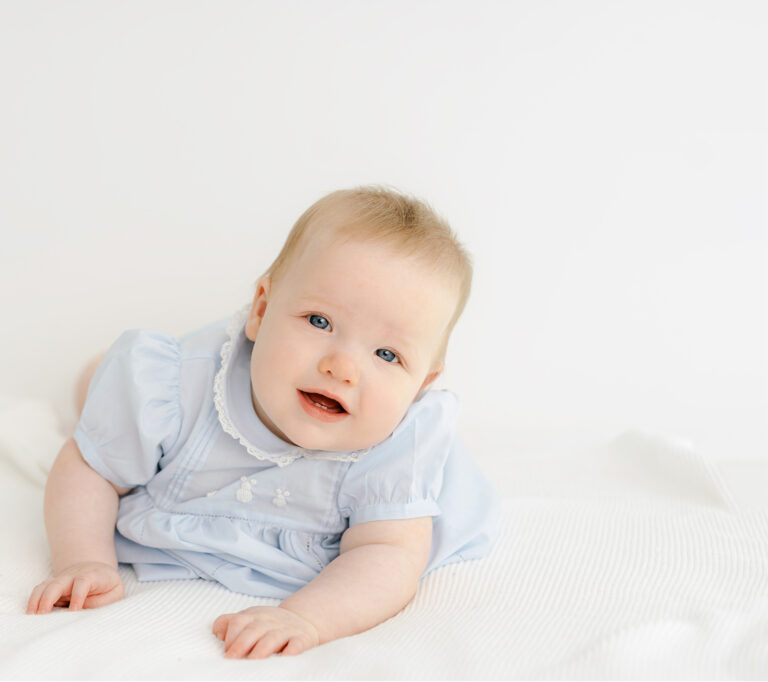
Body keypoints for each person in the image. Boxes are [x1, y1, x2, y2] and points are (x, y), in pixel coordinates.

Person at [26, 186, 499, 659]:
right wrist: (83, 560)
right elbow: (91, 469)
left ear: (420, 386)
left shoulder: (399, 447)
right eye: (319, 321)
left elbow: (390, 556)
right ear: (261, 310)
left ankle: (97, 381)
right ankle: (98, 381)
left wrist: (306, 617)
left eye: (387, 354)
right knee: (111, 410)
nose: (343, 367)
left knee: (107, 395)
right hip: (198, 386)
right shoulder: (180, 388)